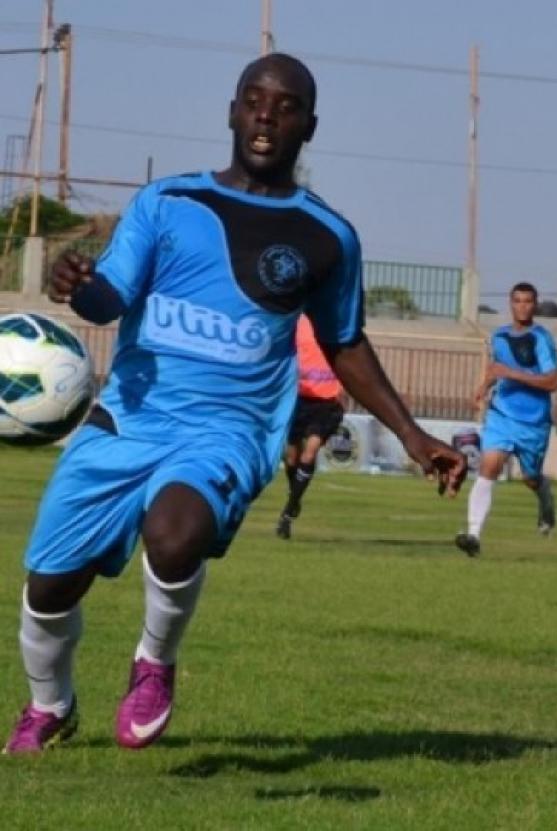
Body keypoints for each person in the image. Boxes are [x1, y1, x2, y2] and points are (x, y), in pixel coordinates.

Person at [3, 53, 465, 755]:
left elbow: (344, 341)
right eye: (254, 100)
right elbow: (109, 297)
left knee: (176, 530)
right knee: (49, 587)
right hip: (129, 418)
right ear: (231, 112)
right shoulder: (167, 202)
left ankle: (154, 662)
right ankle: (51, 706)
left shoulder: (327, 236)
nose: (266, 116)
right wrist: (79, 286)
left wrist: (411, 433)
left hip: (230, 429)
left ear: (309, 126)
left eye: (285, 106)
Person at [455, 282, 557, 557]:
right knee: (488, 466)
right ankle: (473, 535)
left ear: (535, 305)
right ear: (510, 304)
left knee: (530, 478)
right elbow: (496, 369)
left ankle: (545, 496)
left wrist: (512, 374)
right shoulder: (499, 336)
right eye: (517, 301)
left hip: (533, 421)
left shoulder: (541, 339)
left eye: (528, 301)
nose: (522, 306)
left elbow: (551, 382)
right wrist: (483, 386)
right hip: (501, 414)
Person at [276, 315, 346, 540]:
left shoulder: (334, 324)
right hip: (299, 399)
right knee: (291, 458)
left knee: (310, 451)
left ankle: (288, 511)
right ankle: (294, 495)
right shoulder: (297, 322)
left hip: (327, 402)